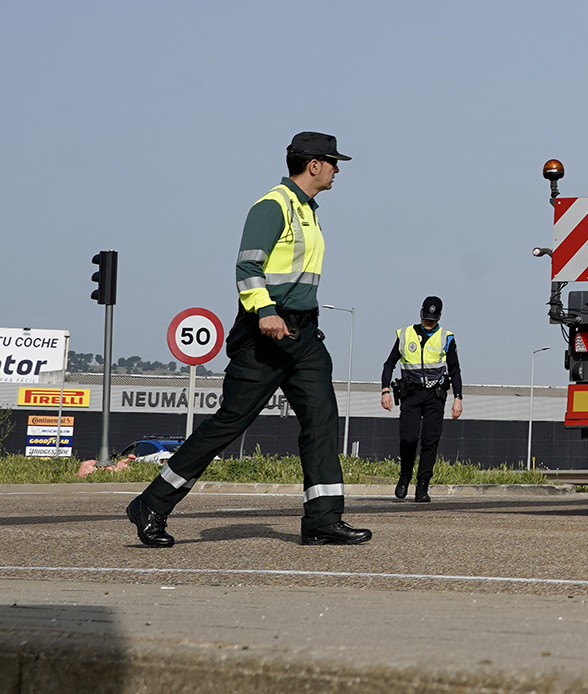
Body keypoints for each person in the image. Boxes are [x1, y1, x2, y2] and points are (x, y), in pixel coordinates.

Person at [126, 132, 371, 547]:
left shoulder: (308, 210)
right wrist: (267, 311)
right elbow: (248, 267)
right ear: (313, 165)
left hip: (305, 335)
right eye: (332, 162)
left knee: (322, 419)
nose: (337, 170)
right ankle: (152, 503)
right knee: (230, 423)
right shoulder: (272, 205)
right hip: (266, 335)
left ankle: (323, 519)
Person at [381, 295, 463, 502]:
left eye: (432, 320)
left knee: (430, 441)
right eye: (426, 319)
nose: (428, 323)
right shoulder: (406, 334)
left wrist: (458, 398)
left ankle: (422, 486)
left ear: (439, 318)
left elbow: (455, 370)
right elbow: (389, 364)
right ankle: (405, 476)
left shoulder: (447, 337)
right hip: (411, 394)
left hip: (435, 396)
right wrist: (385, 391)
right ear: (420, 314)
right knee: (409, 439)